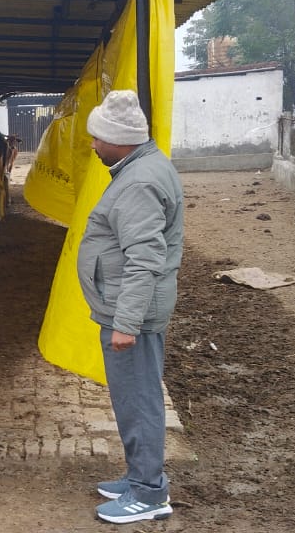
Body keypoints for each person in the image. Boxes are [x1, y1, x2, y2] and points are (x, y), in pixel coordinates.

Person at [76, 90, 184, 524]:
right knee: (132, 397)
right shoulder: (141, 167)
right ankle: (140, 476)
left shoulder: (138, 182)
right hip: (129, 307)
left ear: (118, 140)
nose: (93, 145)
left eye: (97, 138)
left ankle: (149, 494)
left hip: (131, 313)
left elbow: (144, 258)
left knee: (139, 400)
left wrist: (126, 323)